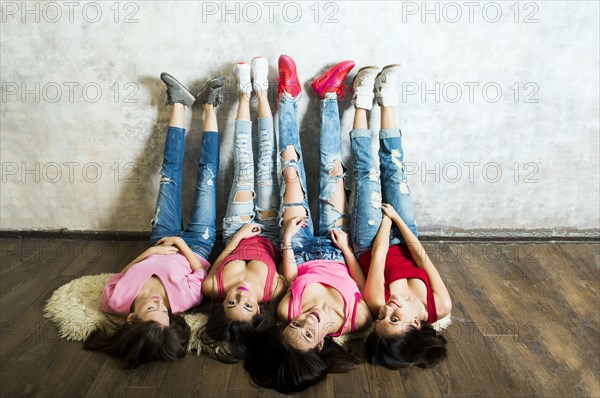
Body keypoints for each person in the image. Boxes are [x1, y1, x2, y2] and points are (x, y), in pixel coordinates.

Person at [243, 55, 372, 394]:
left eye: (294, 325)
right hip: (335, 246)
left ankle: (286, 95)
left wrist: (286, 239)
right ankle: (330, 96)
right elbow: (360, 282)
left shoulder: (288, 309)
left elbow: (292, 275)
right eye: (308, 332)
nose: (305, 320)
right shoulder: (356, 321)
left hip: (298, 247)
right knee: (333, 166)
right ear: (319, 346)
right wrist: (345, 248)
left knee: (289, 166)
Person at [83, 73, 224, 368]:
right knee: (207, 175)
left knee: (169, 171)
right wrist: (180, 247)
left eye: (151, 309)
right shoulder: (182, 302)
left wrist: (155, 250)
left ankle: (179, 105)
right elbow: (201, 270)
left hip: (161, 235)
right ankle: (211, 107)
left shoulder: (116, 300)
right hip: (197, 244)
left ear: (131, 317)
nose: (159, 305)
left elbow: (125, 272)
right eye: (164, 313)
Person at [348, 65, 452, 369]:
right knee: (395, 168)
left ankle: (361, 100)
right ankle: (386, 98)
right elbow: (422, 258)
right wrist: (400, 221)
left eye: (382, 318)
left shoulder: (377, 302)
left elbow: (378, 256)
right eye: (395, 318)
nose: (387, 309)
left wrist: (386, 221)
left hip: (371, 243)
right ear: (417, 325)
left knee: (366, 174)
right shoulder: (440, 306)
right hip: (407, 236)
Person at [200, 57, 287, 362]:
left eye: (232, 303)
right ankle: (262, 92)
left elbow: (222, 256)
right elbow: (289, 270)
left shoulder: (213, 287)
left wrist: (236, 238)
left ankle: (243, 95)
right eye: (247, 305)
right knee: (267, 162)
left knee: (244, 166)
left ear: (221, 307)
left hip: (237, 227)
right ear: (259, 310)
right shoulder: (271, 293)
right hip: (269, 229)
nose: (240, 295)